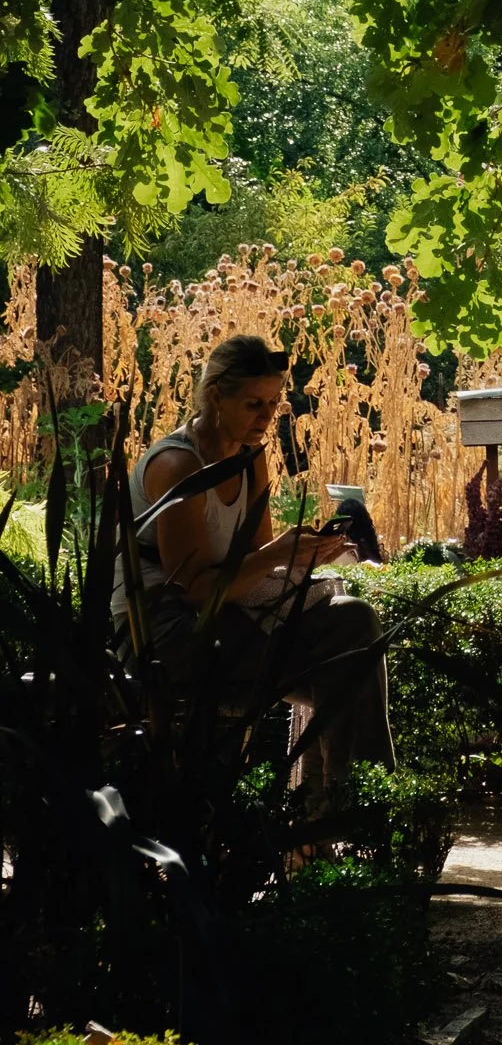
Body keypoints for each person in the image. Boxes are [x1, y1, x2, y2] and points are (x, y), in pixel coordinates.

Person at [120, 333, 394, 808]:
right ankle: (345, 810)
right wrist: (276, 556)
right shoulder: (178, 464)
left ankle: (350, 797)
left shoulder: (250, 457)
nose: (268, 417)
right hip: (162, 628)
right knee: (344, 671)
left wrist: (304, 554)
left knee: (355, 621)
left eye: (274, 402)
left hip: (229, 613)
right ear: (214, 397)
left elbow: (252, 556)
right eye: (253, 404)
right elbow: (193, 591)